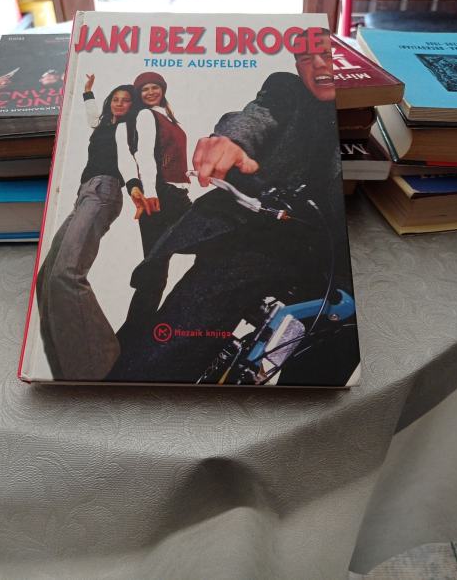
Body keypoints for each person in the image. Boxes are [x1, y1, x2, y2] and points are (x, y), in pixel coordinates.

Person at [110, 28, 357, 385]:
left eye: (326, 55)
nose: (317, 65)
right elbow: (256, 115)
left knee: (326, 369)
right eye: (305, 58)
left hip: (334, 262)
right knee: (171, 344)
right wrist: (229, 141)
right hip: (260, 240)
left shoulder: (367, 109)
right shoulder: (288, 90)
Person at [36, 75, 136, 380]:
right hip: (85, 194)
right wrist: (88, 92)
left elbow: (134, 161)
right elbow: (92, 116)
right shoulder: (103, 124)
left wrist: (136, 188)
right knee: (46, 278)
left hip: (105, 191)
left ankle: (102, 366)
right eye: (115, 99)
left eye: (126, 100)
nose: (119, 103)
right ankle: (65, 371)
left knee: (66, 274)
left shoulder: (130, 128)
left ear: (132, 107)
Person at [115, 71, 192, 349]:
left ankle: (129, 338)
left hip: (173, 193)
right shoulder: (147, 116)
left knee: (157, 272)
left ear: (162, 89)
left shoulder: (168, 118)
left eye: (154, 87)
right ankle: (129, 341)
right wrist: (149, 192)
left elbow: (169, 156)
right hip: (161, 195)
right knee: (157, 272)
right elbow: (144, 155)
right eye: (144, 89)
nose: (150, 92)